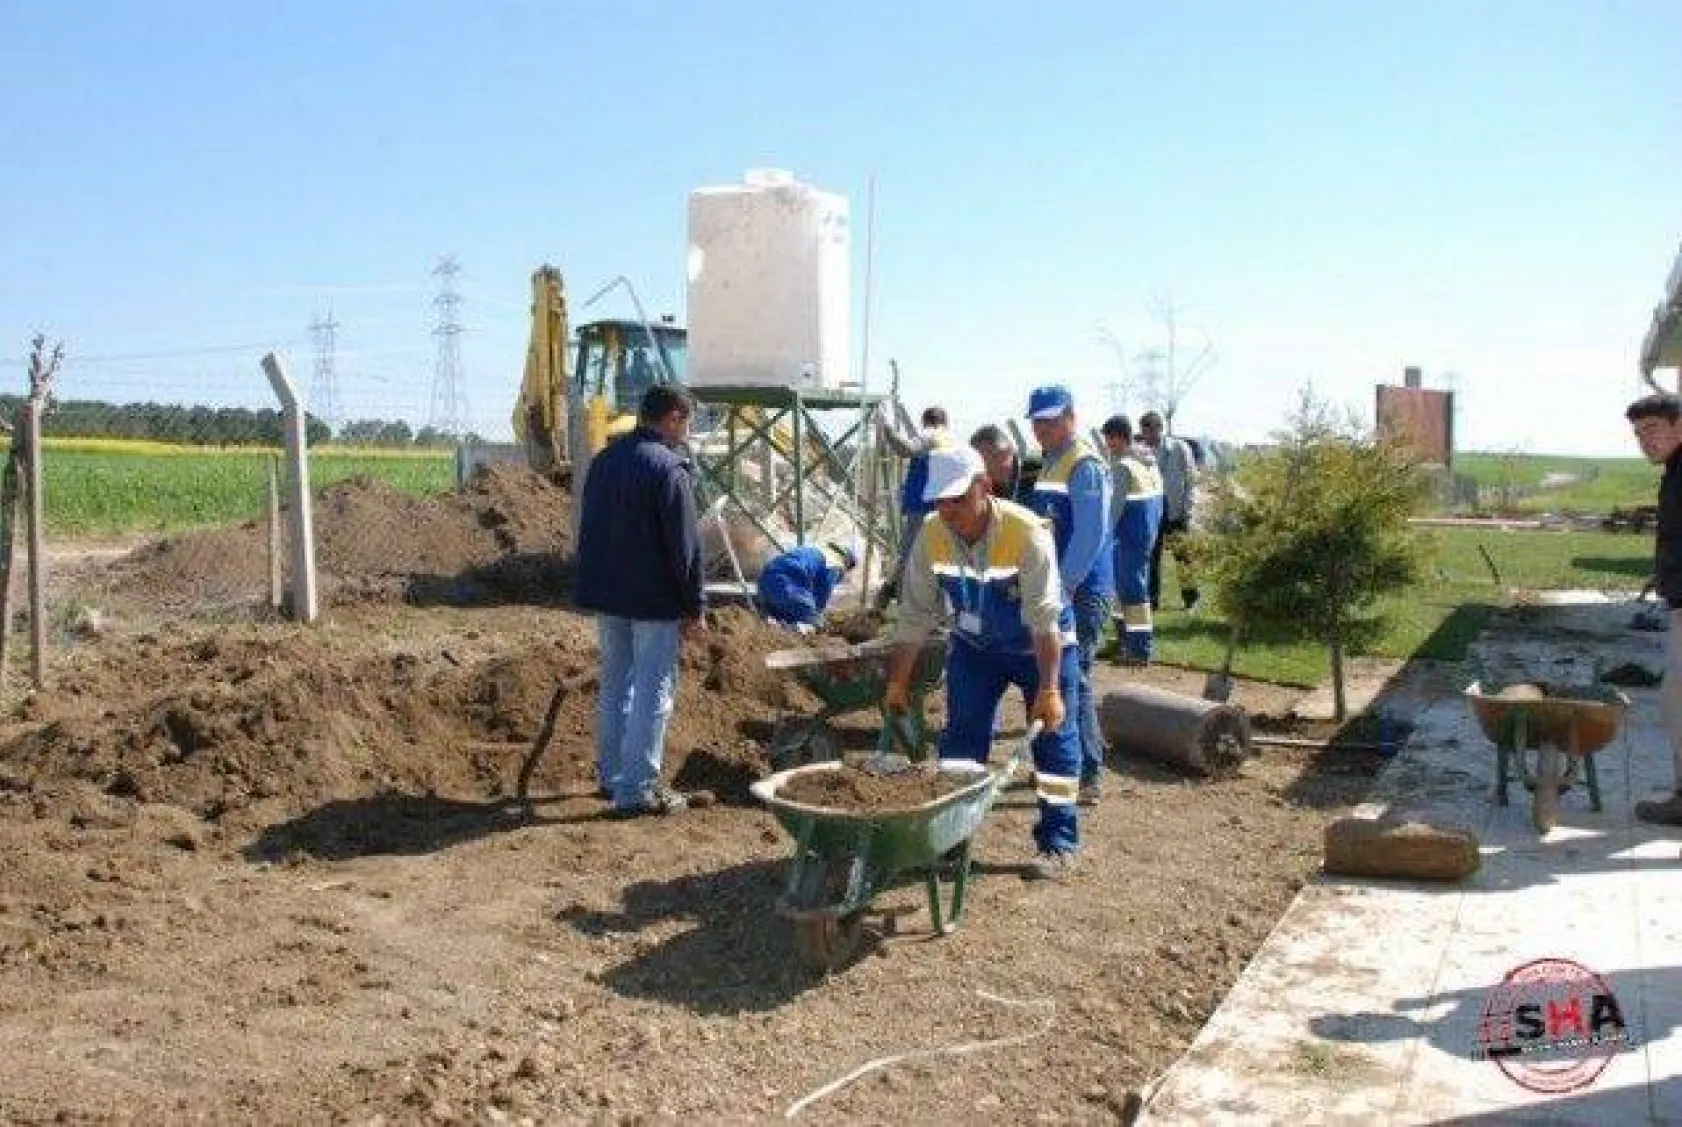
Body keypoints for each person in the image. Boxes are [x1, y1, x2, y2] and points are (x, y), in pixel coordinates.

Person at [883, 445, 1081, 877]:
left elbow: (1044, 621)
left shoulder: (1025, 533)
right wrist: (897, 683)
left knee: (1053, 742)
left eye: (958, 499)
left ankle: (1058, 843)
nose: (949, 510)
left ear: (984, 487)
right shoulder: (932, 534)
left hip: (1040, 648)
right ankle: (949, 838)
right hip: (976, 649)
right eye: (941, 501)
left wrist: (1049, 689)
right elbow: (914, 615)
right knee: (961, 743)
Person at [574, 384, 706, 817]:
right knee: (653, 690)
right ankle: (637, 789)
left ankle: (611, 777)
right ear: (672, 419)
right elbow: (685, 548)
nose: (686, 431)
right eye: (685, 422)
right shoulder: (669, 468)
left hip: (609, 594)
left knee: (615, 685)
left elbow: (587, 530)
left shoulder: (605, 461)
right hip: (654, 601)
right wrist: (694, 607)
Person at [1025, 386, 1114, 807]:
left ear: (1071, 417)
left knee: (1073, 678)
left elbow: (1090, 534)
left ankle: (1087, 771)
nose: (1041, 428)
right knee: (1059, 677)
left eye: (1050, 420)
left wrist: (1063, 587)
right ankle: (1063, 763)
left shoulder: (1085, 465)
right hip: (1055, 585)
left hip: (1079, 589)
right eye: (1037, 421)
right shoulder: (1050, 463)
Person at [1627, 392, 1682, 825]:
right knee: (1674, 701)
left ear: (1679, 426)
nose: (1645, 440)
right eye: (1639, 433)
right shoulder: (1675, 470)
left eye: (1653, 429)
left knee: (1677, 700)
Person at [875, 404, 954, 608]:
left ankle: (904, 606)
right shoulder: (950, 440)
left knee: (911, 557)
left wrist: (887, 428)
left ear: (927, 422)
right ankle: (940, 611)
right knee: (939, 560)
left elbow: (907, 449)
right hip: (942, 506)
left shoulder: (932, 434)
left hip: (924, 508)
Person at [1101, 415, 1165, 664]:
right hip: (1144, 535)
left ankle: (1139, 650)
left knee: (1133, 592)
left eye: (1109, 440)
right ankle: (1122, 642)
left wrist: (1103, 538)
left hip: (1127, 537)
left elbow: (1113, 511)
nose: (1108, 446)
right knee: (1121, 590)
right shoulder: (1149, 464)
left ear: (1118, 437)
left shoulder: (1124, 466)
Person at [1138, 410, 1202, 613]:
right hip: (1152, 510)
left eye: (1151, 429)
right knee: (1151, 557)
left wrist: (1188, 508)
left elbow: (1191, 479)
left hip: (1177, 509)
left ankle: (1191, 599)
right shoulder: (1141, 451)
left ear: (1160, 428)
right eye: (1144, 430)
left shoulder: (1179, 448)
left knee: (1182, 556)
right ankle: (1152, 601)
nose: (1148, 435)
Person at [755, 538, 861, 631]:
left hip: (765, 581)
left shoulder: (818, 550)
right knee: (812, 621)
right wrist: (816, 616)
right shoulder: (835, 562)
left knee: (785, 619)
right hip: (787, 583)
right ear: (847, 563)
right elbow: (823, 590)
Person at [969, 423, 1042, 503]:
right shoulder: (982, 487)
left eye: (995, 455)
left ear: (1010, 449)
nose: (992, 466)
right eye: (982, 461)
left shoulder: (1038, 469)